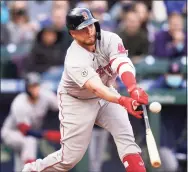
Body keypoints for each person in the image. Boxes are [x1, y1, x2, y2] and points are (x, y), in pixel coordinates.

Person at [22, 8, 148, 172]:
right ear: (73, 33)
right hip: (76, 101)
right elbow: (96, 88)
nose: (89, 31)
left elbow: (122, 63)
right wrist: (124, 100)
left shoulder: (110, 38)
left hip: (106, 95)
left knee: (126, 137)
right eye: (83, 28)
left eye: (91, 25)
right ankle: (32, 170)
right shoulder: (74, 58)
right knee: (69, 159)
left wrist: (133, 88)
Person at [1, 72, 60, 172]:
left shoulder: (45, 95)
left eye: (36, 85)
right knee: (29, 141)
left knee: (21, 165)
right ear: (27, 88)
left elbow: (62, 106)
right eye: (32, 86)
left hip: (29, 134)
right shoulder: (19, 103)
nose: (35, 89)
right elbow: (25, 131)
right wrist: (51, 135)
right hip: (11, 133)